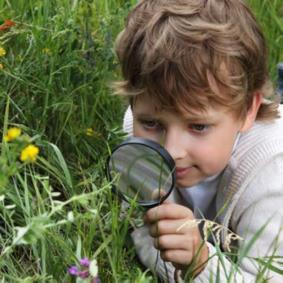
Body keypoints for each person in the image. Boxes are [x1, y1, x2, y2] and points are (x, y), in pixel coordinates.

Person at [113, 0, 283, 281]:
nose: (171, 151)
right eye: (152, 123)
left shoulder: (272, 173)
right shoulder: (138, 139)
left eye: (198, 126)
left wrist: (201, 264)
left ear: (248, 110)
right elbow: (140, 232)